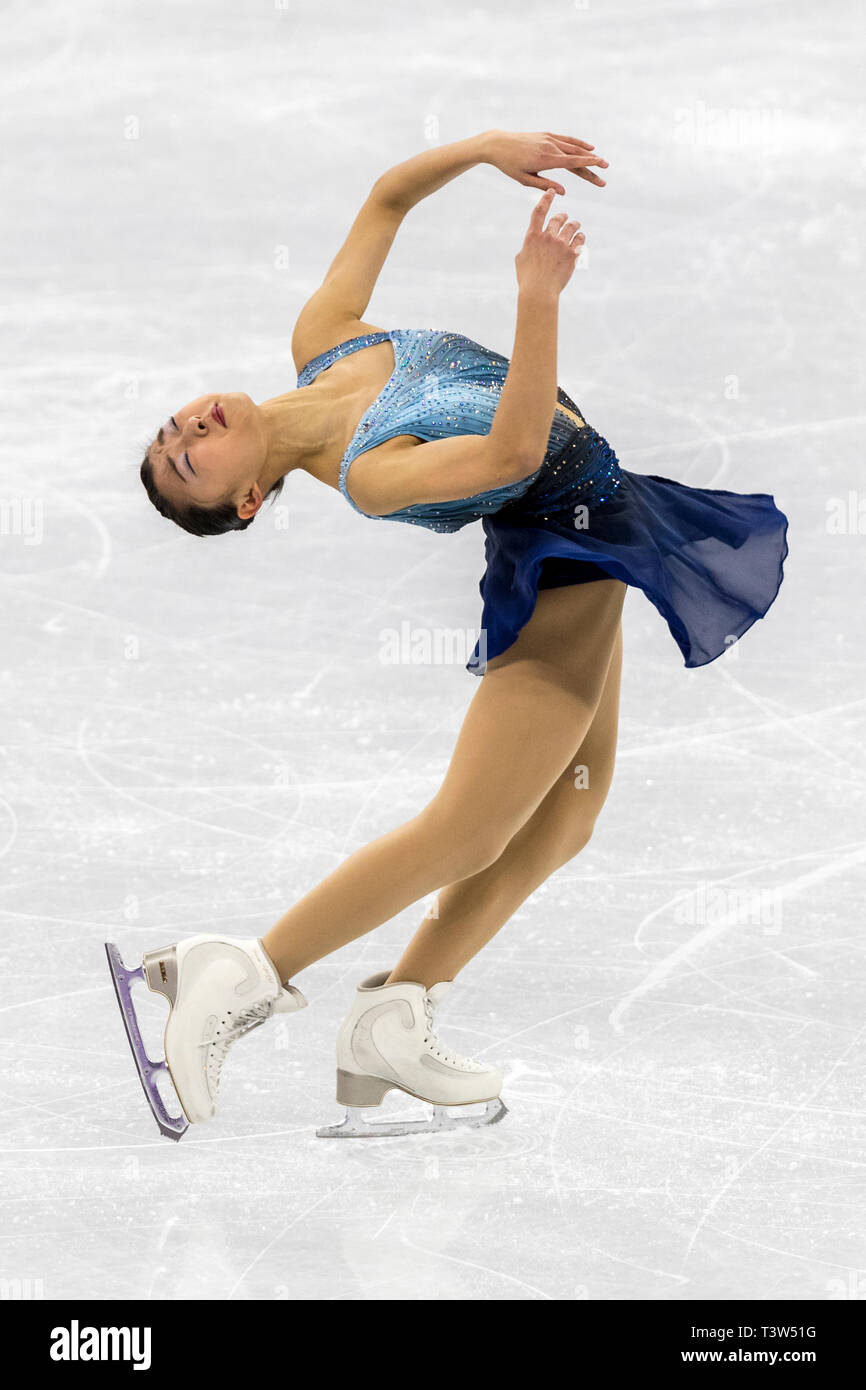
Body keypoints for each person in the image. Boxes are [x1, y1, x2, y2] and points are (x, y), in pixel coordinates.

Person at [107, 130, 788, 1139]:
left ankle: (394, 1011)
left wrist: (481, 150)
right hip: (566, 549)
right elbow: (514, 446)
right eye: (189, 463)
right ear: (250, 500)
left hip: (594, 531)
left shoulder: (324, 338)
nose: (186, 431)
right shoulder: (370, 474)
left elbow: (384, 198)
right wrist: (536, 299)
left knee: (562, 817)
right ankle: (242, 972)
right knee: (471, 826)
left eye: (175, 431)